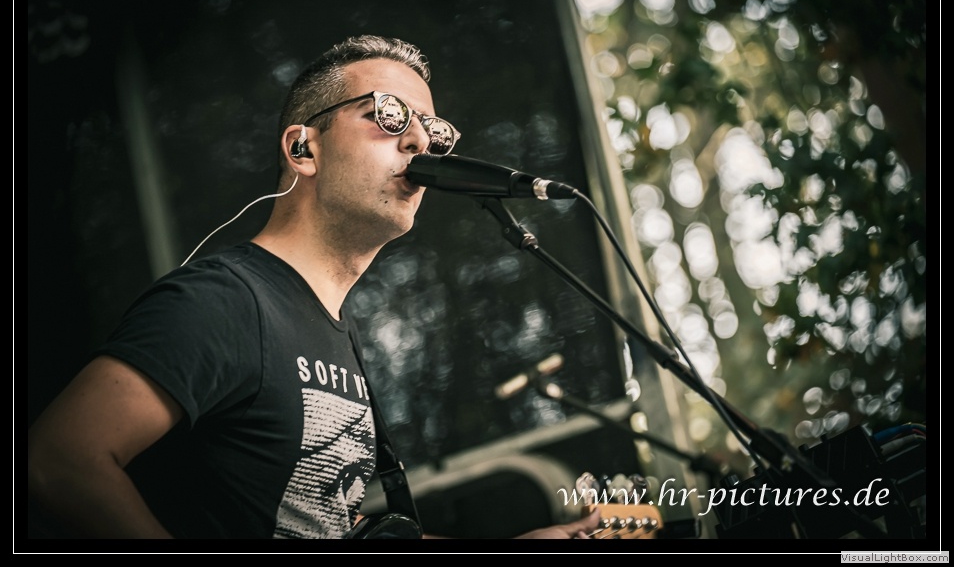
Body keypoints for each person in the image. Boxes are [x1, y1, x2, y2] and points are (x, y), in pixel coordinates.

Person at [27, 34, 603, 541]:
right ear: (303, 149)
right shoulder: (222, 301)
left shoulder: (339, 336)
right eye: (389, 114)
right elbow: (59, 460)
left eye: (433, 131)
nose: (419, 143)